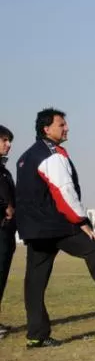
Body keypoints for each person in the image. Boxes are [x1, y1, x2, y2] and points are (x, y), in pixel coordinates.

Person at [16, 108, 95, 348]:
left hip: (34, 230)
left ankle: (36, 335)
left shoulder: (25, 156)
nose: (66, 128)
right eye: (61, 124)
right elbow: (63, 190)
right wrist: (81, 221)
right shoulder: (51, 154)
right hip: (57, 226)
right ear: (46, 129)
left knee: (34, 282)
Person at [0, 125, 16, 337]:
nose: (8, 144)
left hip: (7, 233)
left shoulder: (4, 171)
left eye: (9, 140)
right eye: (4, 140)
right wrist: (4, 207)